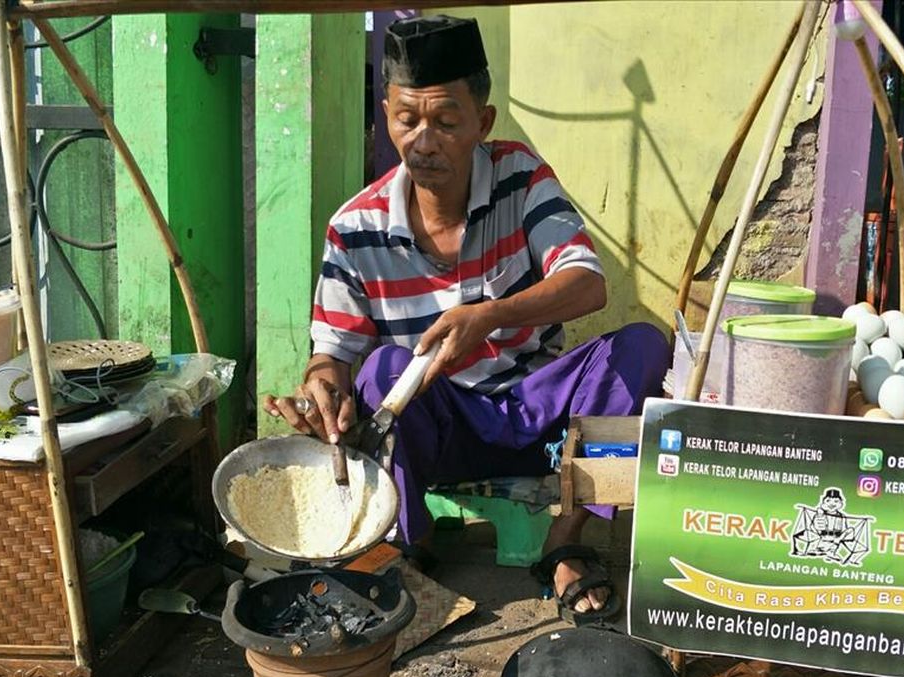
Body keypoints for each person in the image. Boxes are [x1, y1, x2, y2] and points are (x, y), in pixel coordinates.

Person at [264, 15, 668, 624]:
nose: (424, 140)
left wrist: (489, 316)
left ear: (482, 123)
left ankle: (569, 538)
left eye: (446, 122)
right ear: (385, 117)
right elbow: (333, 355)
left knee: (641, 347)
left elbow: (587, 282)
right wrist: (322, 389)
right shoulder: (355, 228)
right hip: (440, 426)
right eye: (407, 120)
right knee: (383, 369)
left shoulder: (522, 178)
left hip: (539, 417)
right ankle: (410, 540)